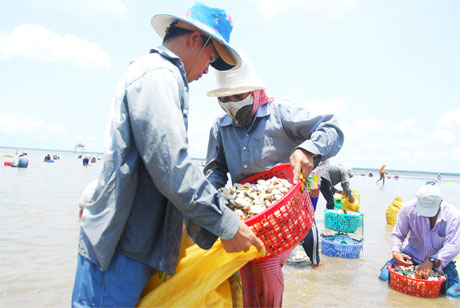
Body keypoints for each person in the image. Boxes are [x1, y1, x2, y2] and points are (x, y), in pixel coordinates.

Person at [72, 3, 262, 307]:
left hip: (136, 246)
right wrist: (226, 224)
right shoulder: (158, 76)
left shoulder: (166, 78)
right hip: (120, 249)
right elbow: (171, 166)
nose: (206, 71)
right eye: (211, 59)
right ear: (195, 39)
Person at [204, 55, 344, 307]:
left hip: (285, 214)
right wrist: (209, 200)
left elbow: (331, 128)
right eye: (225, 98)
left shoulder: (280, 113)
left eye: (238, 96)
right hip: (248, 214)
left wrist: (308, 149)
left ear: (255, 91)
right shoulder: (220, 127)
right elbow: (216, 170)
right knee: (245, 271)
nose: (232, 103)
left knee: (267, 267)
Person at [378, 185, 460, 297]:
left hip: (441, 262)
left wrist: (432, 260)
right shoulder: (408, 209)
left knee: (452, 294)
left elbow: (453, 246)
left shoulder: (453, 216)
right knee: (384, 277)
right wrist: (396, 253)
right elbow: (398, 234)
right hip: (412, 255)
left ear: (440, 202)